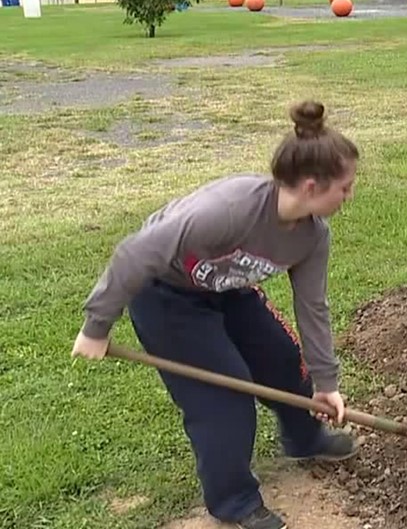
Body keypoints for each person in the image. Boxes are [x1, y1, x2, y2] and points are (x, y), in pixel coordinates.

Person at [71, 101, 362, 529]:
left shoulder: (312, 237)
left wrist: (326, 383)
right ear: (313, 186)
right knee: (224, 398)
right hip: (166, 296)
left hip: (227, 286)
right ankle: (234, 499)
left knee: (281, 358)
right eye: (346, 187)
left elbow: (313, 307)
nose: (350, 195)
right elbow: (136, 253)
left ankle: (305, 437)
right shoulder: (226, 211)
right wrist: (97, 326)